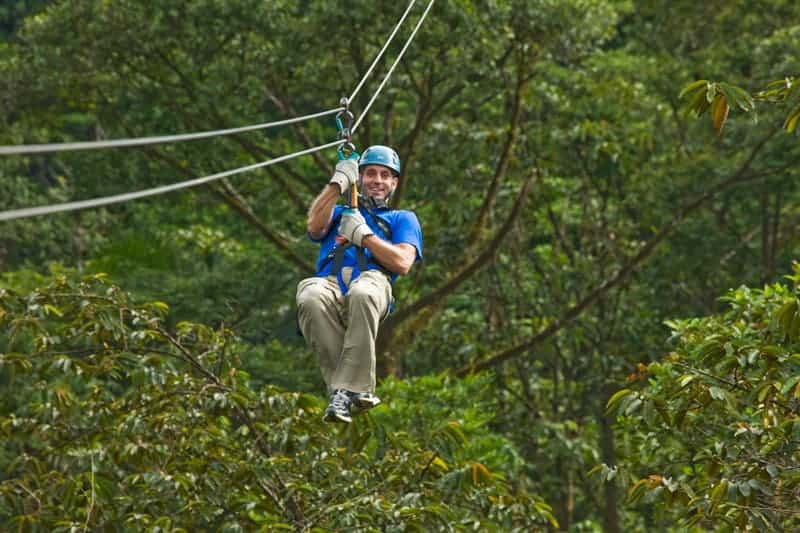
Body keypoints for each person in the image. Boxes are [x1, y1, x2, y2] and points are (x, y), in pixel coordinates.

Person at [296, 145, 423, 423]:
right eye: (370, 173)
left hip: (372, 281)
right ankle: (344, 393)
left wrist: (364, 236)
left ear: (394, 183)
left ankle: (350, 388)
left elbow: (403, 262)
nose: (377, 180)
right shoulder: (338, 213)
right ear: (360, 178)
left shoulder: (401, 218)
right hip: (331, 283)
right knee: (309, 294)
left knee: (363, 292)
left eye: (384, 175)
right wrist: (337, 183)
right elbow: (314, 227)